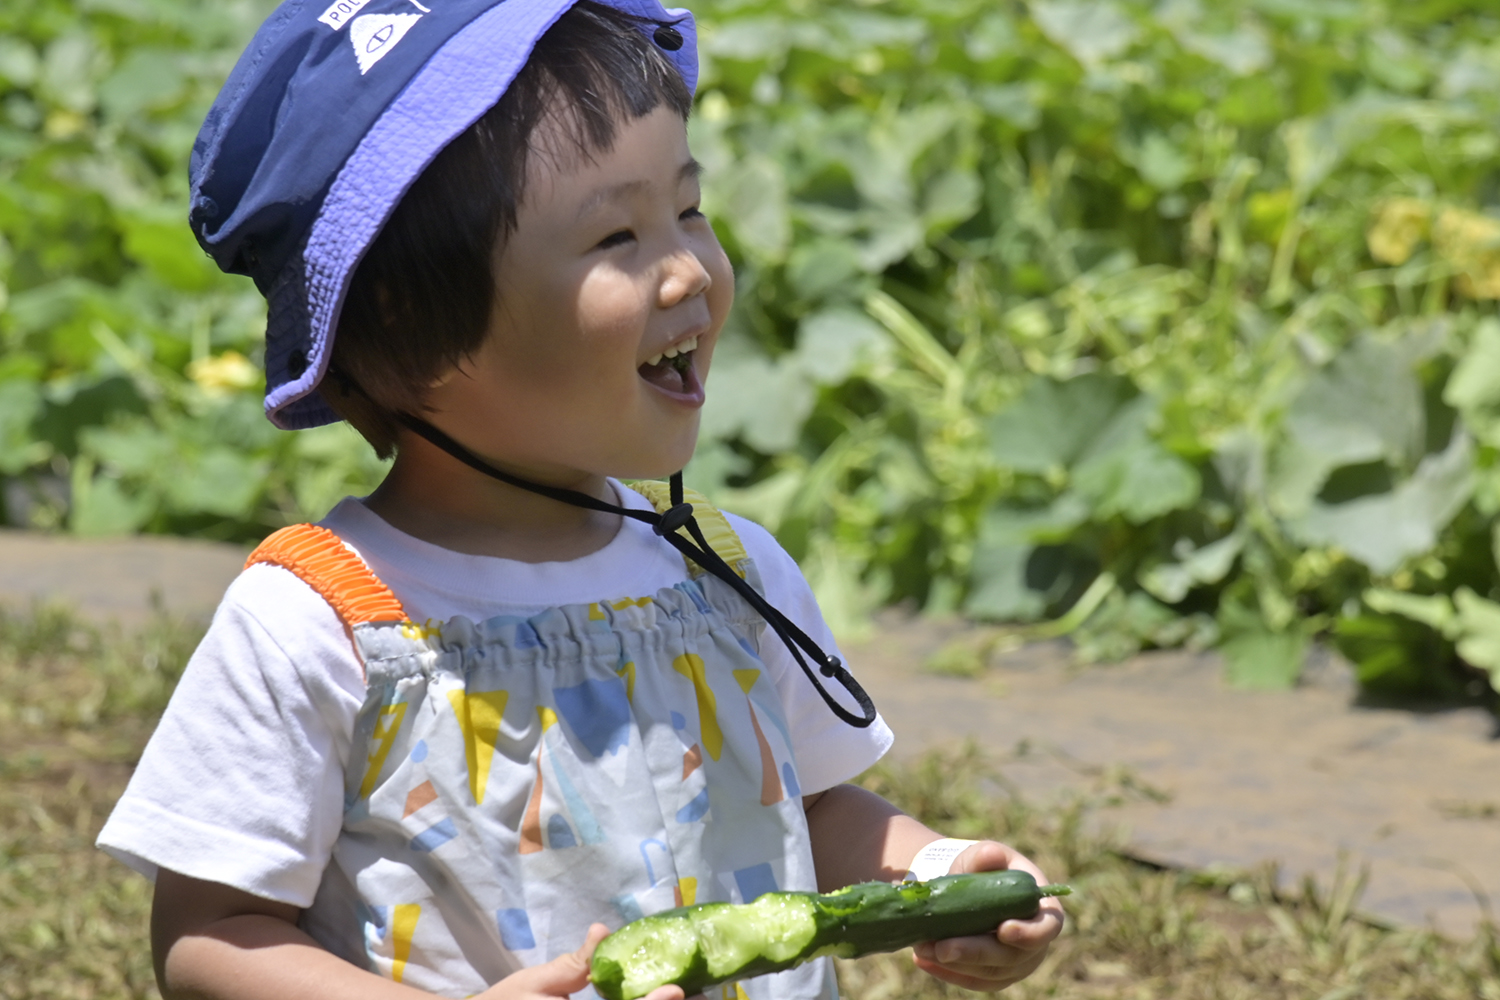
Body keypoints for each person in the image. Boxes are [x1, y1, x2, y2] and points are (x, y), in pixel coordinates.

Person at [96, 2, 1065, 998]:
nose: (688, 268)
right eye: (617, 235)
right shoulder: (322, 622)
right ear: (407, 320)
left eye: (687, 211)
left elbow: (808, 813)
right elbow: (212, 934)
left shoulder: (729, 575)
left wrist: (938, 874)